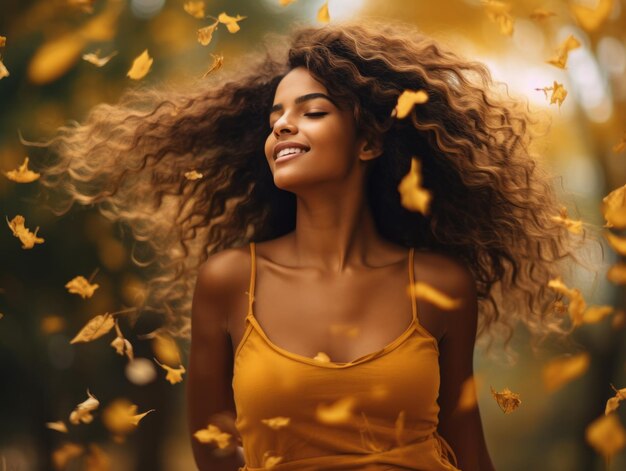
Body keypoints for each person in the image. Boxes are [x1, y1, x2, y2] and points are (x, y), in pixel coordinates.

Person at [34, 18, 591, 471]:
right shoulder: (230, 283)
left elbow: (467, 449)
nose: (282, 126)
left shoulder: (441, 285)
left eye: (312, 112)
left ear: (369, 141)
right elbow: (216, 451)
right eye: (276, 115)